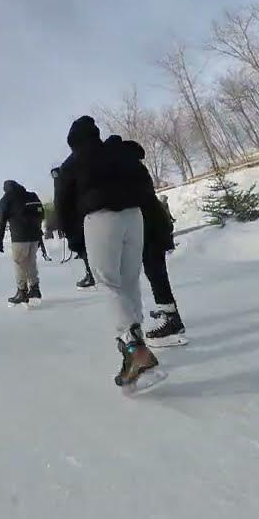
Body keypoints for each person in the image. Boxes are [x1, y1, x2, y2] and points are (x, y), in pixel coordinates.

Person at [55, 115, 163, 391]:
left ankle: (135, 350)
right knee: (129, 281)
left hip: (101, 218)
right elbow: (143, 181)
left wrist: (76, 241)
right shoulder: (117, 152)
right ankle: (138, 348)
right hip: (133, 216)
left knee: (108, 281)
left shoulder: (72, 164)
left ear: (73, 142)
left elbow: (63, 208)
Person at [114, 138, 186, 345]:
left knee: (156, 273)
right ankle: (167, 311)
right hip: (154, 225)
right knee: (155, 272)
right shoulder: (136, 168)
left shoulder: (129, 171)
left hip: (151, 228)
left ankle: (172, 320)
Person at [0, 180, 45, 307]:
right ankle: (35, 289)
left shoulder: (7, 199)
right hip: (34, 237)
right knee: (31, 262)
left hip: (20, 238)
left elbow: (0, 221)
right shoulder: (32, 195)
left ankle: (21, 291)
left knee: (20, 264)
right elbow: (41, 213)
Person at [51, 166, 96, 288]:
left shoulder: (61, 185)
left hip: (74, 222)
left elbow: (60, 205)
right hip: (83, 219)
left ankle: (92, 275)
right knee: (87, 247)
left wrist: (61, 223)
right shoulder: (74, 182)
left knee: (83, 248)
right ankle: (94, 273)